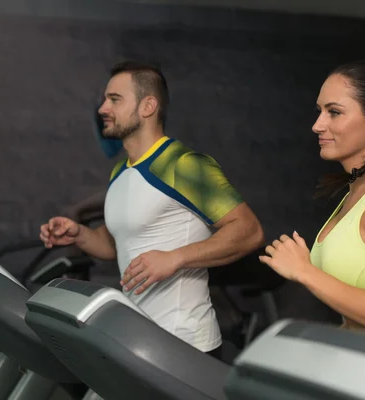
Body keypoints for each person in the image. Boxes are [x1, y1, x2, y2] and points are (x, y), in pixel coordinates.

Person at [39, 61, 265, 359]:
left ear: (148, 106)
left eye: (114, 100)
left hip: (185, 342)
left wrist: (175, 258)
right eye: (105, 99)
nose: (103, 109)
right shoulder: (121, 171)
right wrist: (79, 234)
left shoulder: (184, 164)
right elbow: (116, 245)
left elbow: (249, 231)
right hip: (139, 339)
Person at [258, 60, 365, 347]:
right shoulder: (355, 193)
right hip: (360, 363)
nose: (317, 125)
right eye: (320, 112)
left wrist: (304, 270)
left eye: (334, 112)